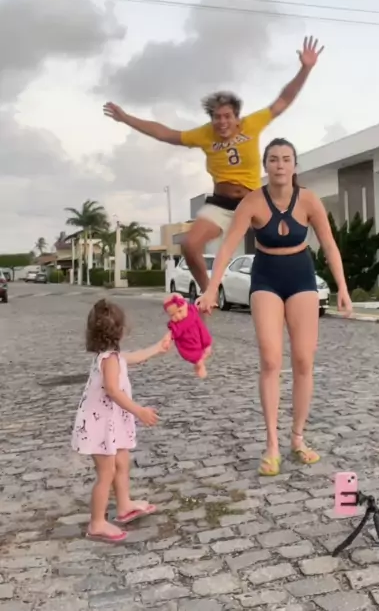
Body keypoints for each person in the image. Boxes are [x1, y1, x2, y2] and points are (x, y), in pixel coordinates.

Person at [104, 36, 322, 294]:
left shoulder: (252, 124)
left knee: (282, 241)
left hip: (253, 201)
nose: (222, 122)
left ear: (237, 117)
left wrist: (305, 69)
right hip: (221, 204)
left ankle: (295, 286)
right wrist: (126, 118)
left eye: (227, 116)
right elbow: (165, 134)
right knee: (189, 245)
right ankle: (209, 292)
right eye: (217, 117)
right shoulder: (204, 134)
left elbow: (283, 100)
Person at [197, 138, 352, 477]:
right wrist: (210, 289)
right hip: (266, 278)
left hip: (301, 279)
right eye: (273, 159)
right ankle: (271, 445)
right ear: (265, 165)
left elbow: (329, 245)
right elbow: (227, 247)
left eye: (286, 159)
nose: (280, 165)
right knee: (270, 360)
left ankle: (297, 438)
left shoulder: (309, 200)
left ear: (294, 165)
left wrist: (342, 287)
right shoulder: (252, 202)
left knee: (303, 360)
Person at [71, 299, 170, 543]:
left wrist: (158, 347)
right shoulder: (110, 360)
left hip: (110, 422)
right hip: (100, 426)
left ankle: (124, 504)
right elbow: (113, 391)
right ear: (120, 329)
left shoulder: (111, 356)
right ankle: (97, 523)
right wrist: (139, 411)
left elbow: (132, 357)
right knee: (106, 473)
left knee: (122, 462)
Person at [162, 293, 213, 378]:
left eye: (180, 311)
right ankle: (200, 366)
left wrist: (205, 306)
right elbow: (171, 334)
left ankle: (201, 361)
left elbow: (198, 308)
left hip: (200, 334)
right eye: (172, 315)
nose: (178, 316)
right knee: (197, 358)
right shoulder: (175, 325)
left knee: (208, 349)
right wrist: (167, 340)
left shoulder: (191, 310)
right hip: (189, 344)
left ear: (186, 305)